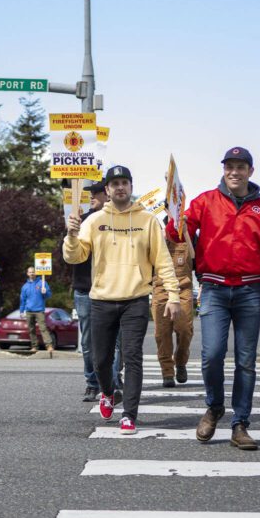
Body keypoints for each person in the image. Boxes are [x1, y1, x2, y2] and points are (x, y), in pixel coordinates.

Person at [167, 147, 260, 451]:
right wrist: (173, 216)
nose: (234, 172)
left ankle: (240, 423)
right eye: (229, 166)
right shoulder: (205, 201)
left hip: (249, 292)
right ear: (223, 169)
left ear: (250, 171)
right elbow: (179, 235)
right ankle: (214, 407)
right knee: (212, 355)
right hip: (214, 290)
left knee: (246, 362)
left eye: (240, 167)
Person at [63, 165, 181, 436]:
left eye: (124, 182)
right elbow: (75, 257)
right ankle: (107, 392)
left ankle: (129, 415)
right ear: (107, 190)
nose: (119, 187)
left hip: (135, 300)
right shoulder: (93, 220)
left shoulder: (148, 221)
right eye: (114, 183)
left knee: (132, 357)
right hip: (102, 299)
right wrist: (71, 235)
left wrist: (173, 295)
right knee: (100, 360)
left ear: (130, 186)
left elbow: (163, 262)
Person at [72, 182, 123, 402]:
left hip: (113, 288)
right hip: (85, 288)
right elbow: (69, 253)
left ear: (107, 194)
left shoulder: (119, 221)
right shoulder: (82, 220)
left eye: (96, 193)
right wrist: (70, 232)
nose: (91, 196)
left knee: (116, 341)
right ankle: (93, 383)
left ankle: (111, 382)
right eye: (89, 193)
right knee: (87, 342)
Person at [153, 219, 195, 387]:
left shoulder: (187, 233)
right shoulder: (156, 233)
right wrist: (159, 237)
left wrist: (185, 233)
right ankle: (167, 372)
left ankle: (181, 362)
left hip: (183, 289)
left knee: (185, 329)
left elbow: (193, 257)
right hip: (160, 289)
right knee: (162, 334)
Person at [19, 265, 54, 355]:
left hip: (39, 310)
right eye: (30, 272)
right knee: (31, 330)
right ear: (27, 274)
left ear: (36, 273)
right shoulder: (25, 286)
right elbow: (22, 300)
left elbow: (49, 295)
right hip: (29, 311)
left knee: (43, 328)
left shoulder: (42, 283)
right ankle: (34, 346)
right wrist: (21, 311)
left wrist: (45, 292)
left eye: (33, 272)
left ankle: (49, 345)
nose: (32, 273)